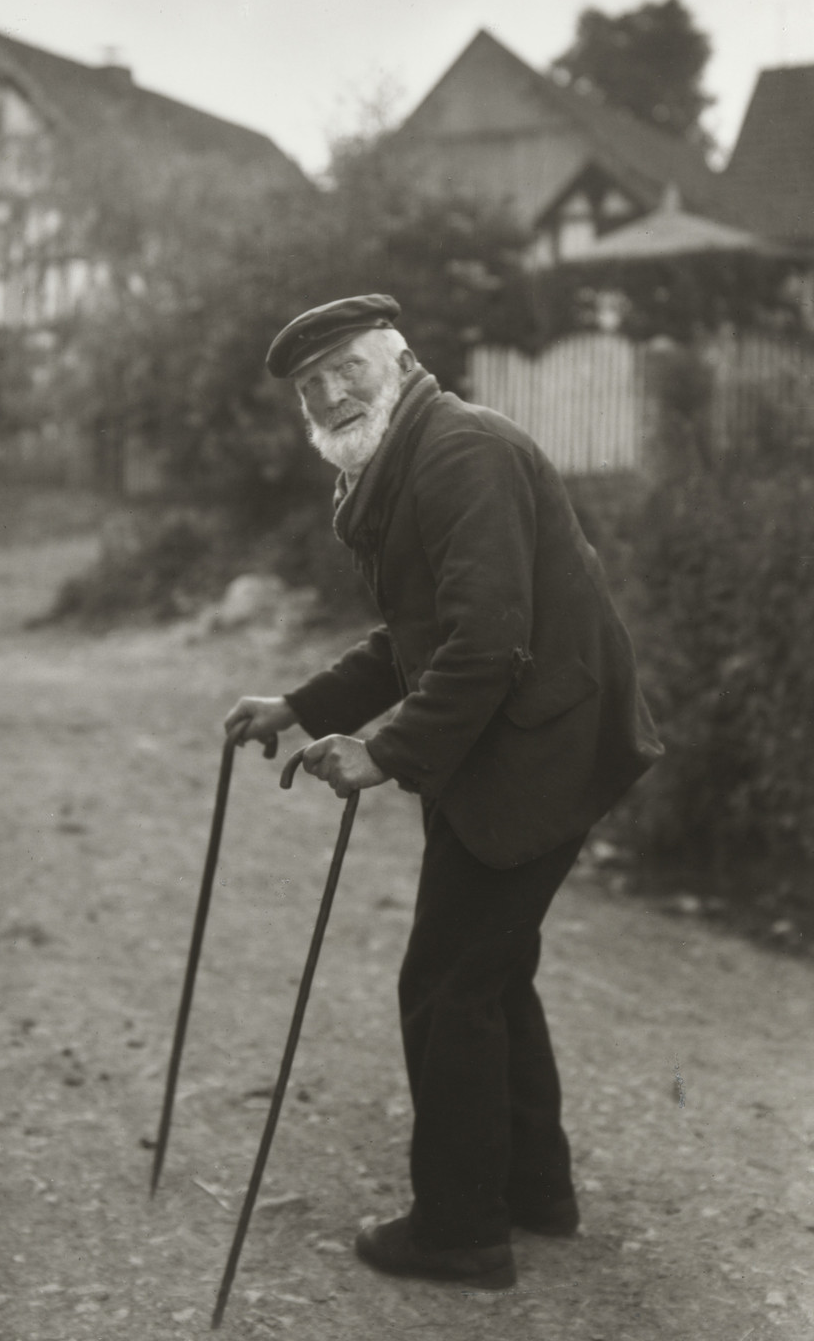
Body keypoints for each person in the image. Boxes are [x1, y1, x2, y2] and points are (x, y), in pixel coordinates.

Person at [225, 294, 662, 1291]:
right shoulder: (402, 462)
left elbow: (485, 643)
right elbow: (411, 638)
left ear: (397, 356)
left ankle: (461, 1231)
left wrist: (382, 756)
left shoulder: (457, 455)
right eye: (311, 383)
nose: (330, 390)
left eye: (344, 365)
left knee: (447, 985)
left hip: (537, 751)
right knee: (489, 971)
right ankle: (535, 1194)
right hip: (514, 745)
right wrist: (295, 705)